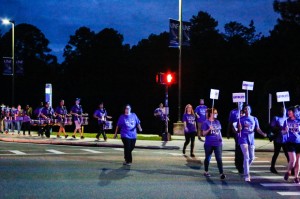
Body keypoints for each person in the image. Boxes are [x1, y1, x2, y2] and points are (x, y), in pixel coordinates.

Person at [237, 104, 267, 182]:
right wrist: (239, 128)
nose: (247, 110)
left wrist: (263, 133)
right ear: (244, 111)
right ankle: (247, 175)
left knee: (252, 158)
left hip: (251, 139)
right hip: (243, 139)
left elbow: (257, 128)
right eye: (245, 109)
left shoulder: (254, 118)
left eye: (248, 109)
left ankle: (245, 167)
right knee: (246, 157)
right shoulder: (240, 119)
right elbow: (237, 131)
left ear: (250, 110)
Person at [201, 107, 226, 179]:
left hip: (218, 143)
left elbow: (219, 132)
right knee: (208, 158)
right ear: (210, 114)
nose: (216, 114)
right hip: (209, 143)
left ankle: (221, 173)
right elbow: (203, 134)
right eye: (215, 113)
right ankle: (206, 171)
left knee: (219, 158)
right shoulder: (206, 122)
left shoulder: (217, 122)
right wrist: (209, 129)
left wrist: (221, 139)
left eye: (216, 113)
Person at [282, 106, 300, 184]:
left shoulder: (299, 121)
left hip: (299, 142)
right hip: (290, 142)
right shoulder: (286, 121)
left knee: (298, 162)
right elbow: (282, 132)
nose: (289, 112)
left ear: (294, 112)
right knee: (293, 160)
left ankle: (296, 177)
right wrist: (285, 131)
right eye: (288, 111)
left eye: (290, 111)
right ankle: (288, 172)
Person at [269, 106, 289, 174]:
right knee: (276, 153)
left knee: (288, 154)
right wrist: (280, 128)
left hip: (286, 140)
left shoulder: (288, 119)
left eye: (284, 110)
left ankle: (291, 168)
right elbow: (272, 127)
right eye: (282, 110)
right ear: (280, 111)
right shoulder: (276, 118)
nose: (283, 111)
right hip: (278, 139)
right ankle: (272, 167)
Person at [227, 102, 244, 174]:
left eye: (241, 103)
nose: (240, 104)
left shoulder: (245, 111)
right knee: (238, 149)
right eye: (238, 103)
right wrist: (228, 132)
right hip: (236, 133)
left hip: (244, 133)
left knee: (243, 150)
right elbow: (230, 123)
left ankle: (242, 164)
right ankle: (238, 164)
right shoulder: (233, 112)